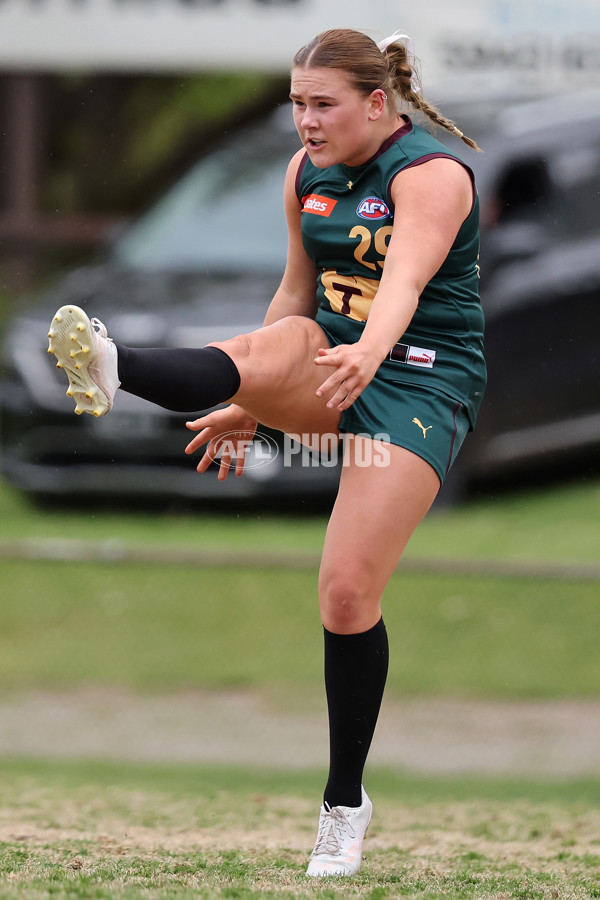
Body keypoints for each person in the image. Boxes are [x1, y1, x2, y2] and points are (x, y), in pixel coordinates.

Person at [47, 27, 486, 877]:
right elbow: (293, 295)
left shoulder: (432, 174)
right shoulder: (302, 175)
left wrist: (369, 352)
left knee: (347, 592)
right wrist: (254, 399)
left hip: (421, 384)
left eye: (322, 105)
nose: (306, 122)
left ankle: (343, 804)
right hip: (330, 359)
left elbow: (403, 282)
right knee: (273, 340)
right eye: (295, 103)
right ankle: (116, 364)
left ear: (375, 102)